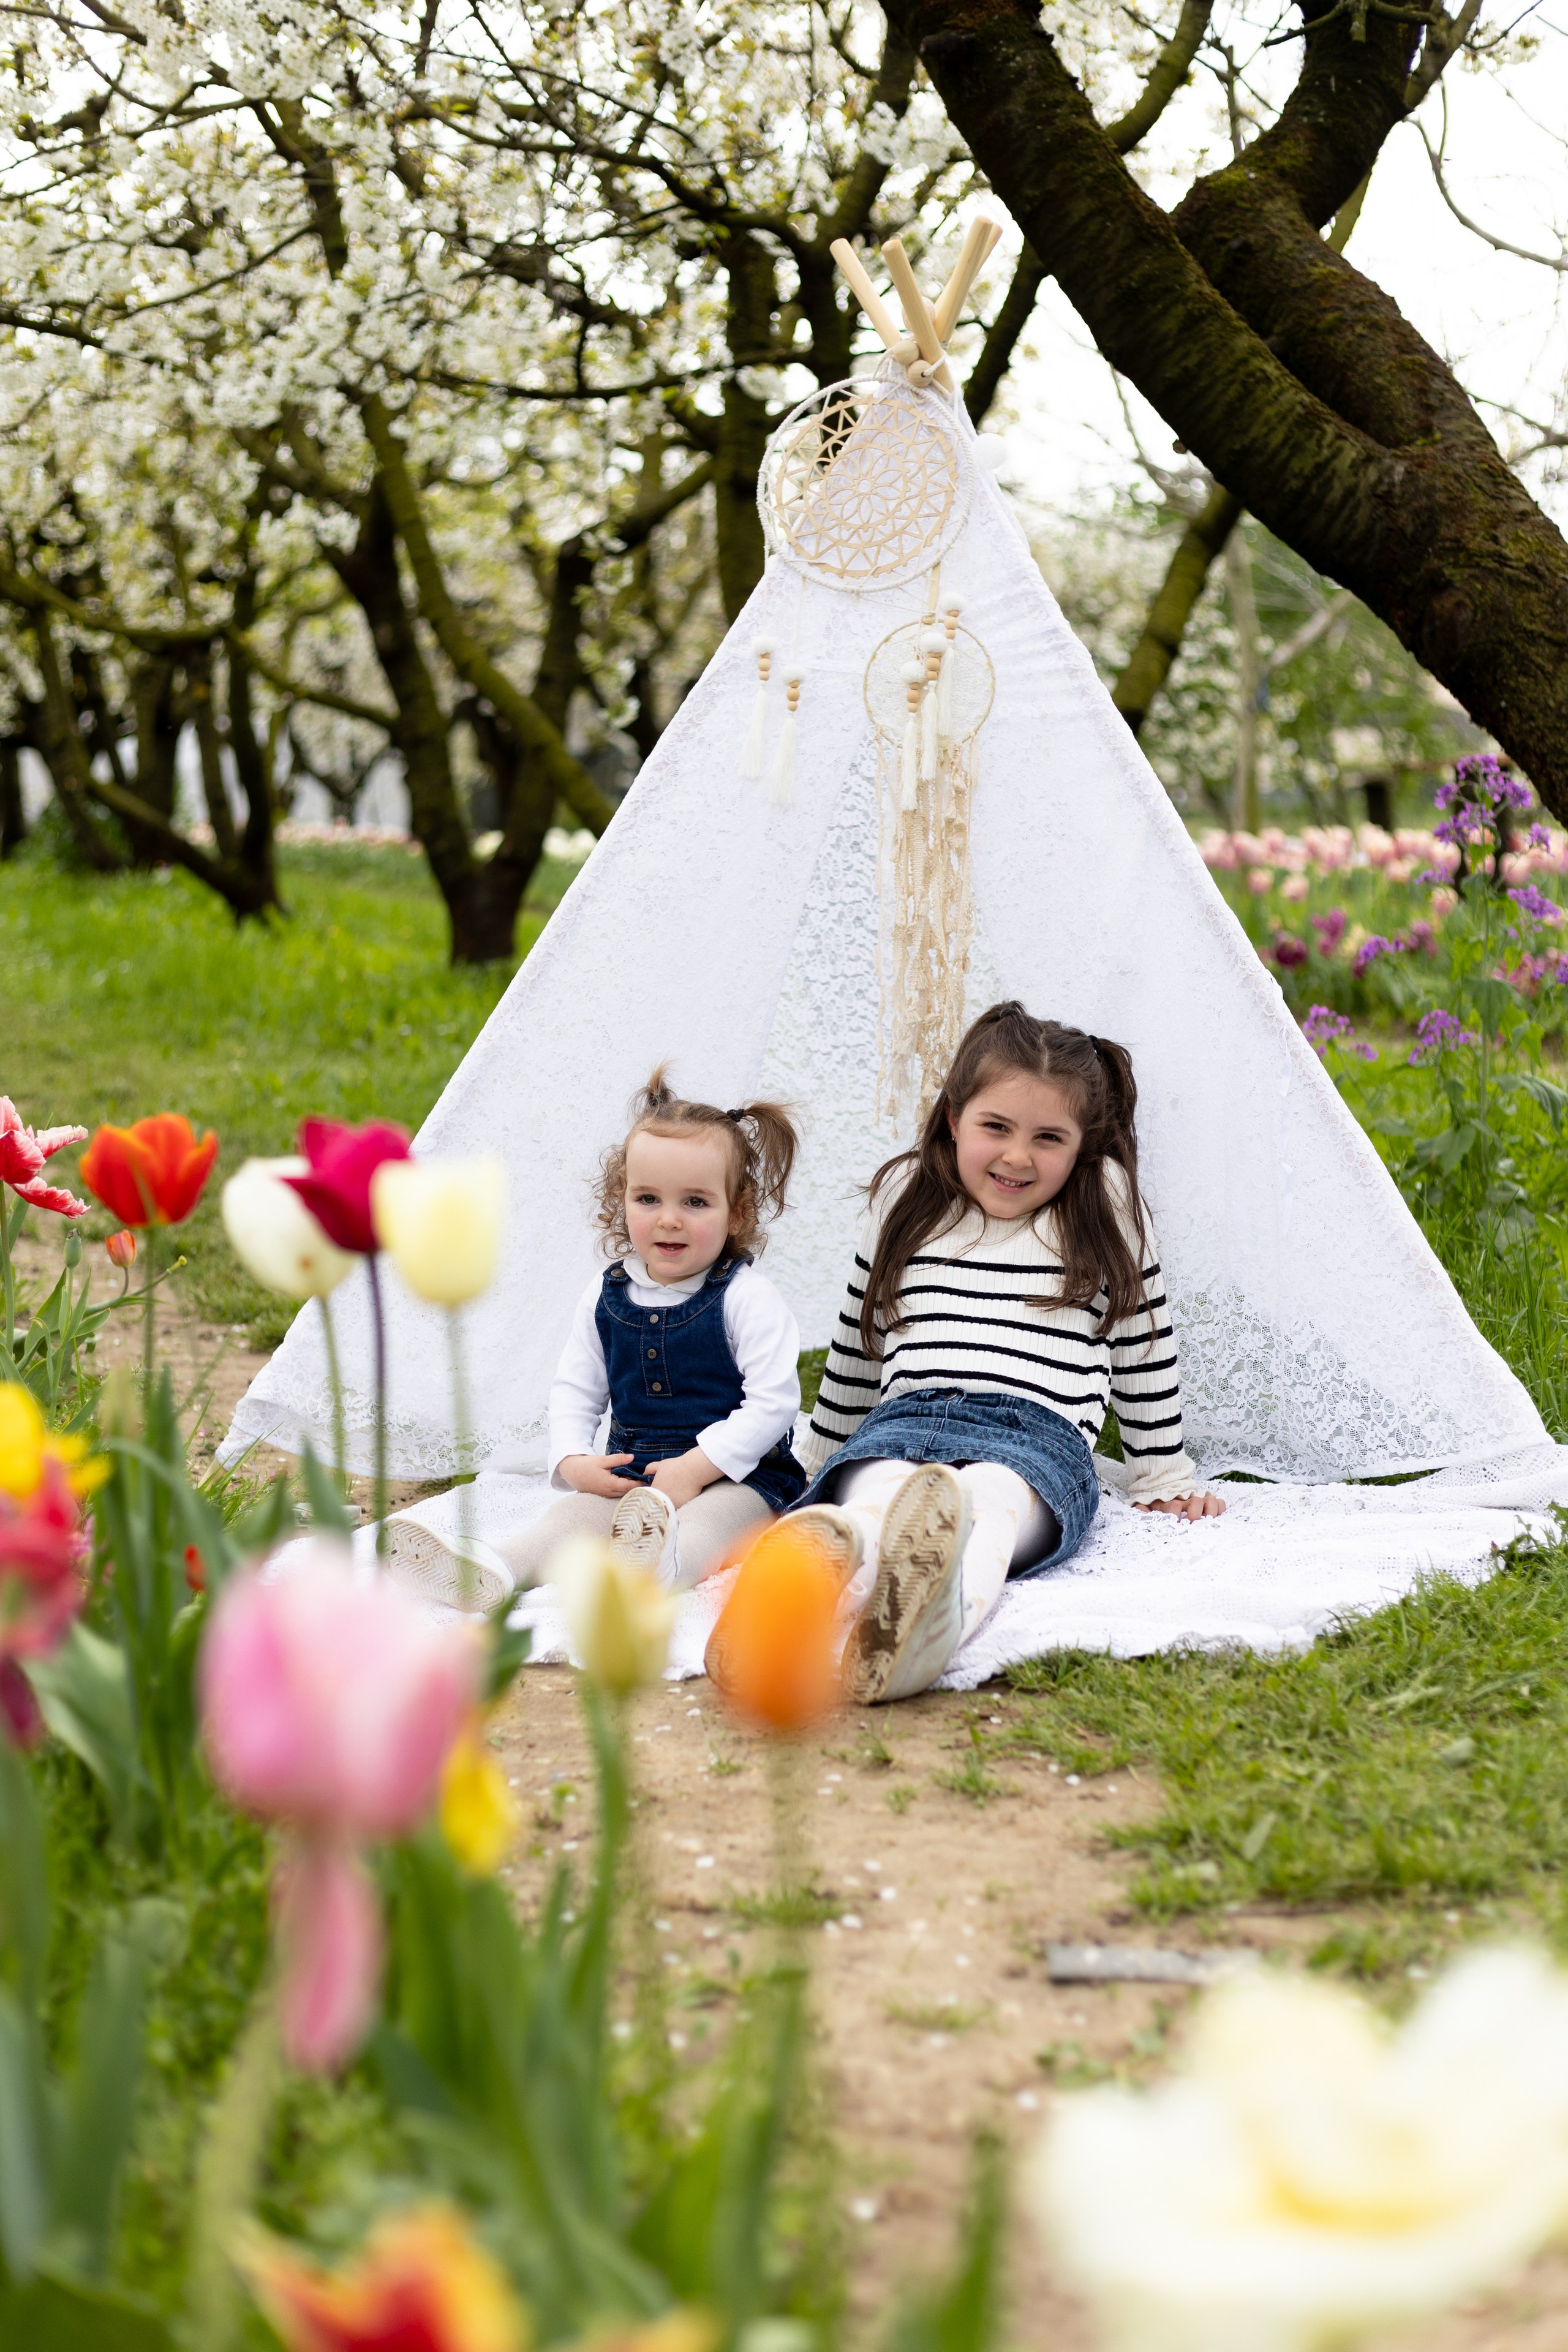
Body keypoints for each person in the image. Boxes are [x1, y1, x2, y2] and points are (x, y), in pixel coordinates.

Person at [707, 1002, 1224, 1705]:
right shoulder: (905, 1193)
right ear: (953, 1118)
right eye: (996, 1128)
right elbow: (862, 1337)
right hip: (906, 1417)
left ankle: (928, 1623)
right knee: (874, 1496)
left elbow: (1142, 1337)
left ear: (1083, 1148)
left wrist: (1160, 1471)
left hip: (1033, 1436)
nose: (1017, 1156)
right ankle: (788, 1603)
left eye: (1049, 1138)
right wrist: (818, 1457)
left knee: (987, 1509)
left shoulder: (1103, 1202)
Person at [387, 1068, 807, 1612]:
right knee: (568, 1521)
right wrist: (571, 1460)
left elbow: (774, 1403)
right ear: (621, 1200)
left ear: (738, 1212)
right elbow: (576, 1389)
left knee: (708, 1526)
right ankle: (496, 1568)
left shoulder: (746, 1298)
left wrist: (698, 1468)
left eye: (697, 1202)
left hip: (737, 1478)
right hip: (632, 1475)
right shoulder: (607, 1295)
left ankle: (662, 1569)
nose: (669, 1220)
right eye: (649, 1198)